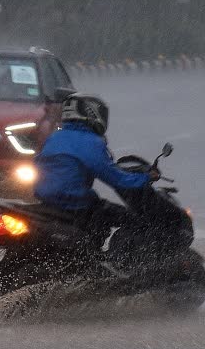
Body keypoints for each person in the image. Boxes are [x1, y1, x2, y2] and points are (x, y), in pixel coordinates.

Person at [33, 94, 157, 245]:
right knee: (135, 222)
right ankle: (119, 262)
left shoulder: (55, 137)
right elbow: (115, 178)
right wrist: (145, 177)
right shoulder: (89, 141)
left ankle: (93, 251)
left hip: (48, 201)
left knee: (100, 209)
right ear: (92, 114)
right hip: (76, 204)